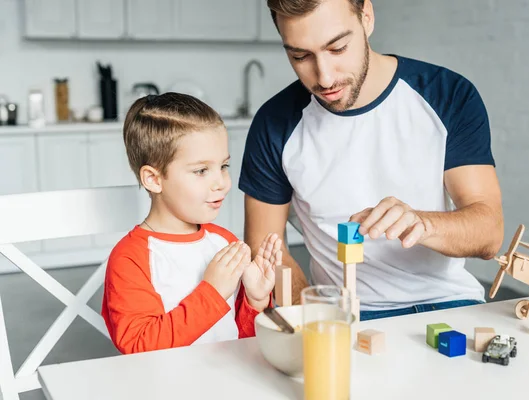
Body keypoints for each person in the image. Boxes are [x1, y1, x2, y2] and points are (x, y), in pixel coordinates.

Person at [239, 0, 504, 320]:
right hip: (341, 312)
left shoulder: (447, 94)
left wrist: (423, 224)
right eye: (300, 56)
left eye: (337, 48)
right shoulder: (275, 123)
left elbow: (489, 234)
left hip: (447, 300)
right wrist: (315, 319)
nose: (324, 78)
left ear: (366, 16)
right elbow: (265, 247)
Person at [102, 93, 282, 354]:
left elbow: (244, 340)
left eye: (224, 166)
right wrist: (213, 293)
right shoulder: (130, 259)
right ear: (153, 179)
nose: (221, 182)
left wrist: (256, 301)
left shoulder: (225, 242)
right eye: (201, 171)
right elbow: (139, 350)